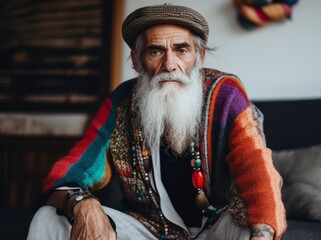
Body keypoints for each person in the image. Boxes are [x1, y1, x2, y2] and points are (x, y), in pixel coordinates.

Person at [27, 4, 286, 240]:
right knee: (49, 218)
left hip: (217, 227)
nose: (169, 64)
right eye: (155, 51)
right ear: (137, 61)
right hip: (149, 231)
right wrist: (84, 204)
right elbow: (71, 171)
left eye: (181, 50)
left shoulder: (226, 94)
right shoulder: (120, 102)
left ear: (199, 57)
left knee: (251, 225)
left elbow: (258, 171)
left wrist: (262, 235)